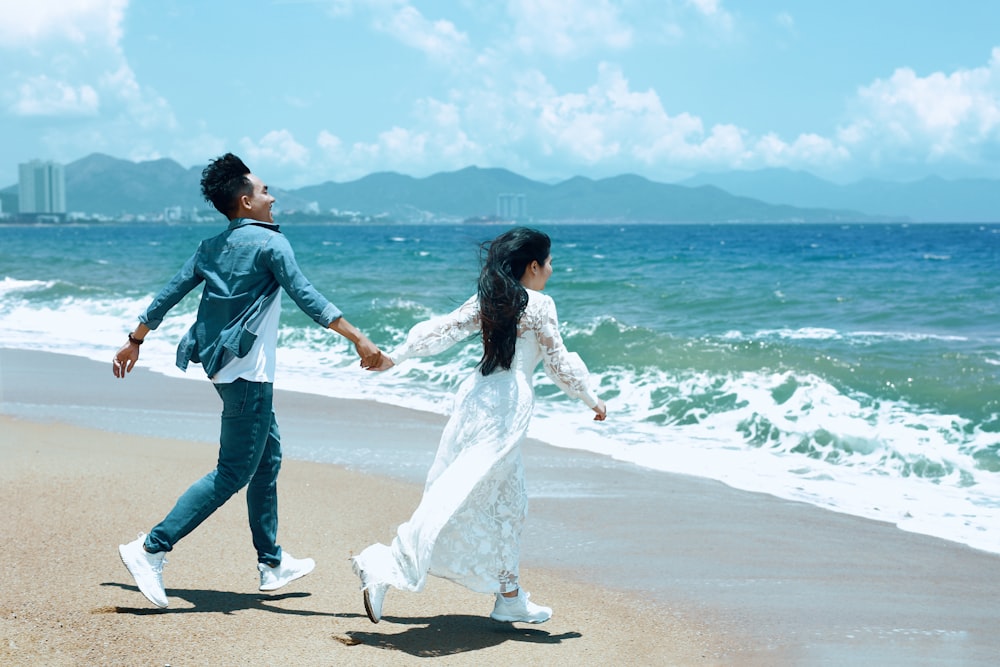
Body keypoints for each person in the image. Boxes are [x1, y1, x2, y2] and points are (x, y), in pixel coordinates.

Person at [112, 153, 382, 608]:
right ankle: (150, 549)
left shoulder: (210, 246)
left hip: (220, 365)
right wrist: (360, 338)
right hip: (248, 373)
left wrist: (135, 339)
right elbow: (307, 296)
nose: (272, 198)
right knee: (234, 470)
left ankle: (272, 562)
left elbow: (168, 294)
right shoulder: (273, 244)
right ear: (246, 201)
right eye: (264, 191)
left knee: (267, 457)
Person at [352, 227, 606, 625]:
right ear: (534, 265)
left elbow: (443, 330)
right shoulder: (540, 305)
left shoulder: (491, 298)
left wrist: (396, 356)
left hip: (475, 398)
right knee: (458, 493)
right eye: (550, 262)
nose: (552, 270)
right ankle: (383, 565)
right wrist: (592, 399)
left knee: (510, 503)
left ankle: (510, 596)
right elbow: (558, 363)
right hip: (505, 408)